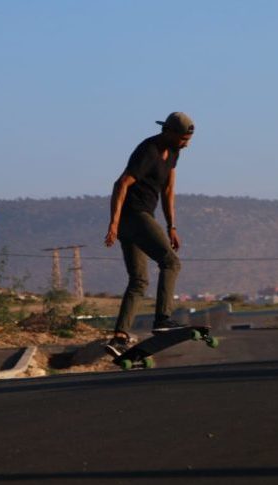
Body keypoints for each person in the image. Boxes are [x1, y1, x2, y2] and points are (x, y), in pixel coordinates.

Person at [104, 111, 195, 354]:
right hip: (134, 216)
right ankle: (163, 319)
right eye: (183, 139)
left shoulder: (173, 153)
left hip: (140, 219)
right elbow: (121, 184)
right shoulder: (149, 150)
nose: (186, 144)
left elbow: (168, 191)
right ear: (169, 132)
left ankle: (119, 336)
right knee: (171, 263)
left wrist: (171, 226)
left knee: (139, 280)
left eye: (188, 140)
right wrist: (113, 224)